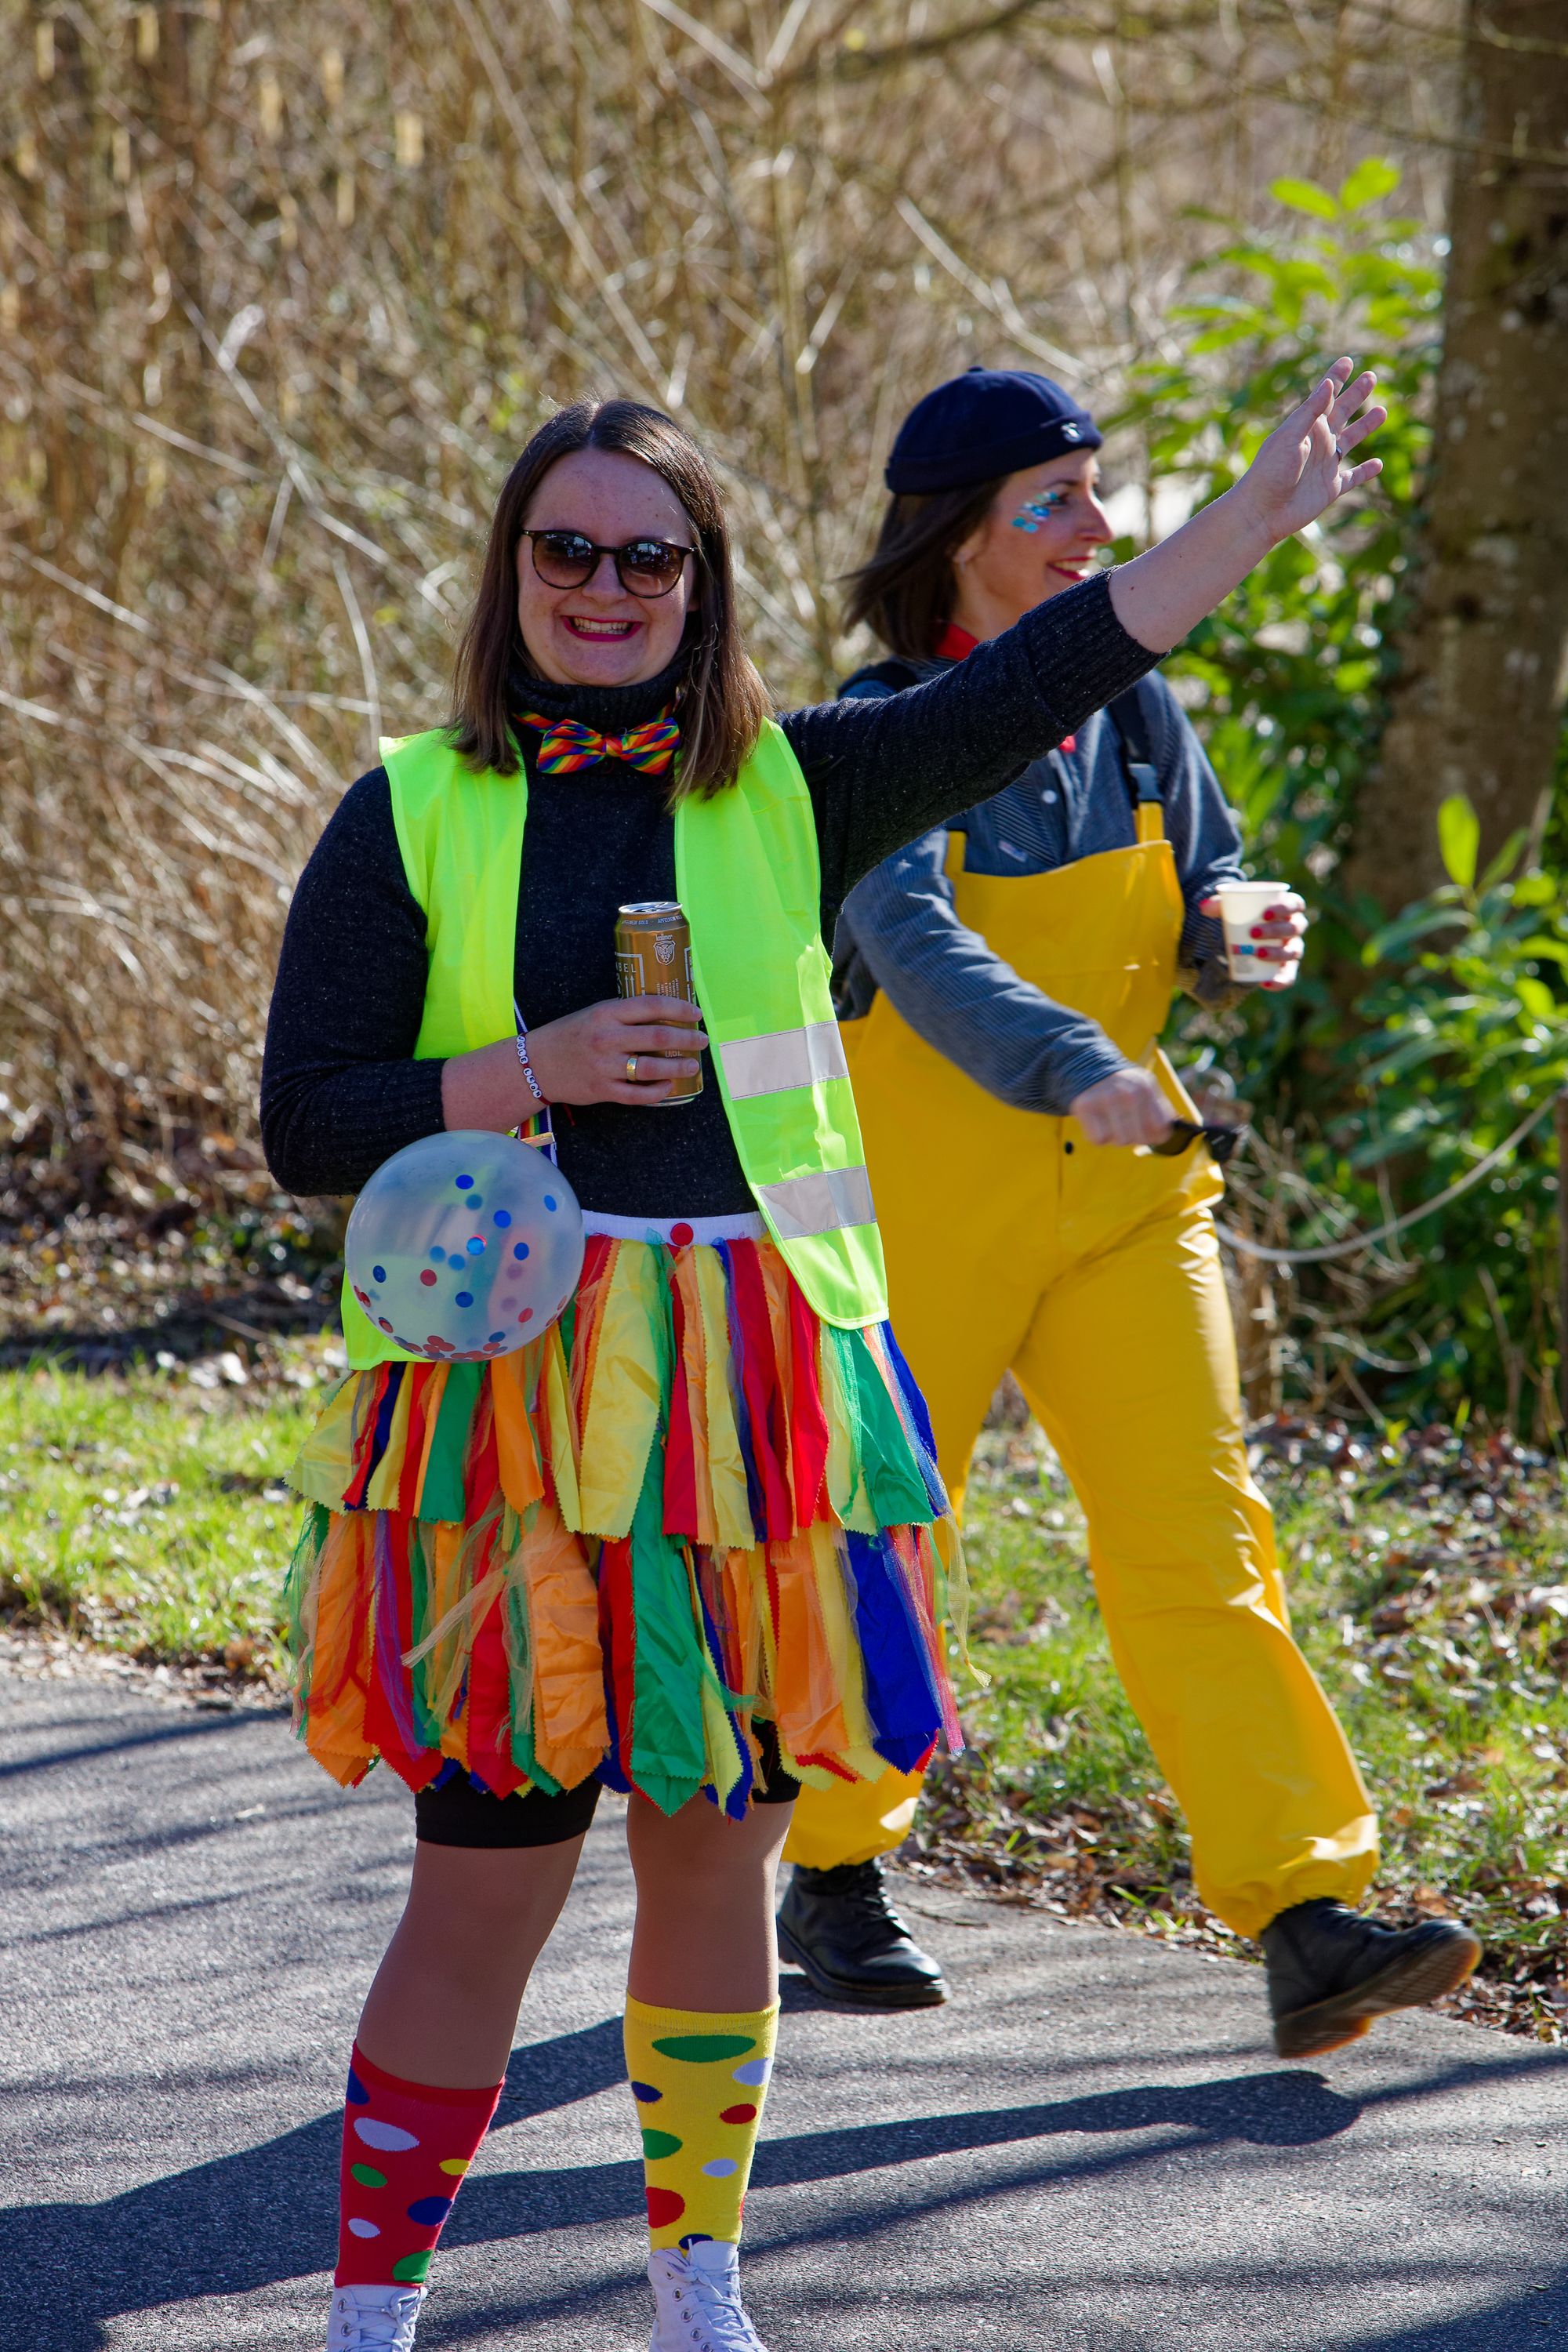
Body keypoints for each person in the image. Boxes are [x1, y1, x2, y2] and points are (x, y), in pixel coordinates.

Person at [260, 369, 1385, 2352]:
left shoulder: (801, 785)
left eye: (649, 559)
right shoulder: (411, 807)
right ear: (510, 570)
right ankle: (373, 2312)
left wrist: (1250, 524)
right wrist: (528, 1071)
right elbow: (304, 1119)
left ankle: (697, 2285)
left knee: (712, 1879)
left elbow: (1055, 663)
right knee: (484, 1891)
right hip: (506, 1405)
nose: (605, 587)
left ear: (702, 587)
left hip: (755, 1402)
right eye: (566, 550)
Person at [776, 365, 1480, 2058]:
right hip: (913, 1205)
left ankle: (1306, 1914)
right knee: (881, 1532)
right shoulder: (880, 730)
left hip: (1127, 1195)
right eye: (1057, 502)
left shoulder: (1138, 711)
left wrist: (1232, 926)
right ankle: (829, 1862)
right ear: (958, 536)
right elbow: (912, 944)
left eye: (1100, 492)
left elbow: (1205, 877)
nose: (1097, 526)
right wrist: (1071, 1058)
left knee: (1199, 1540)